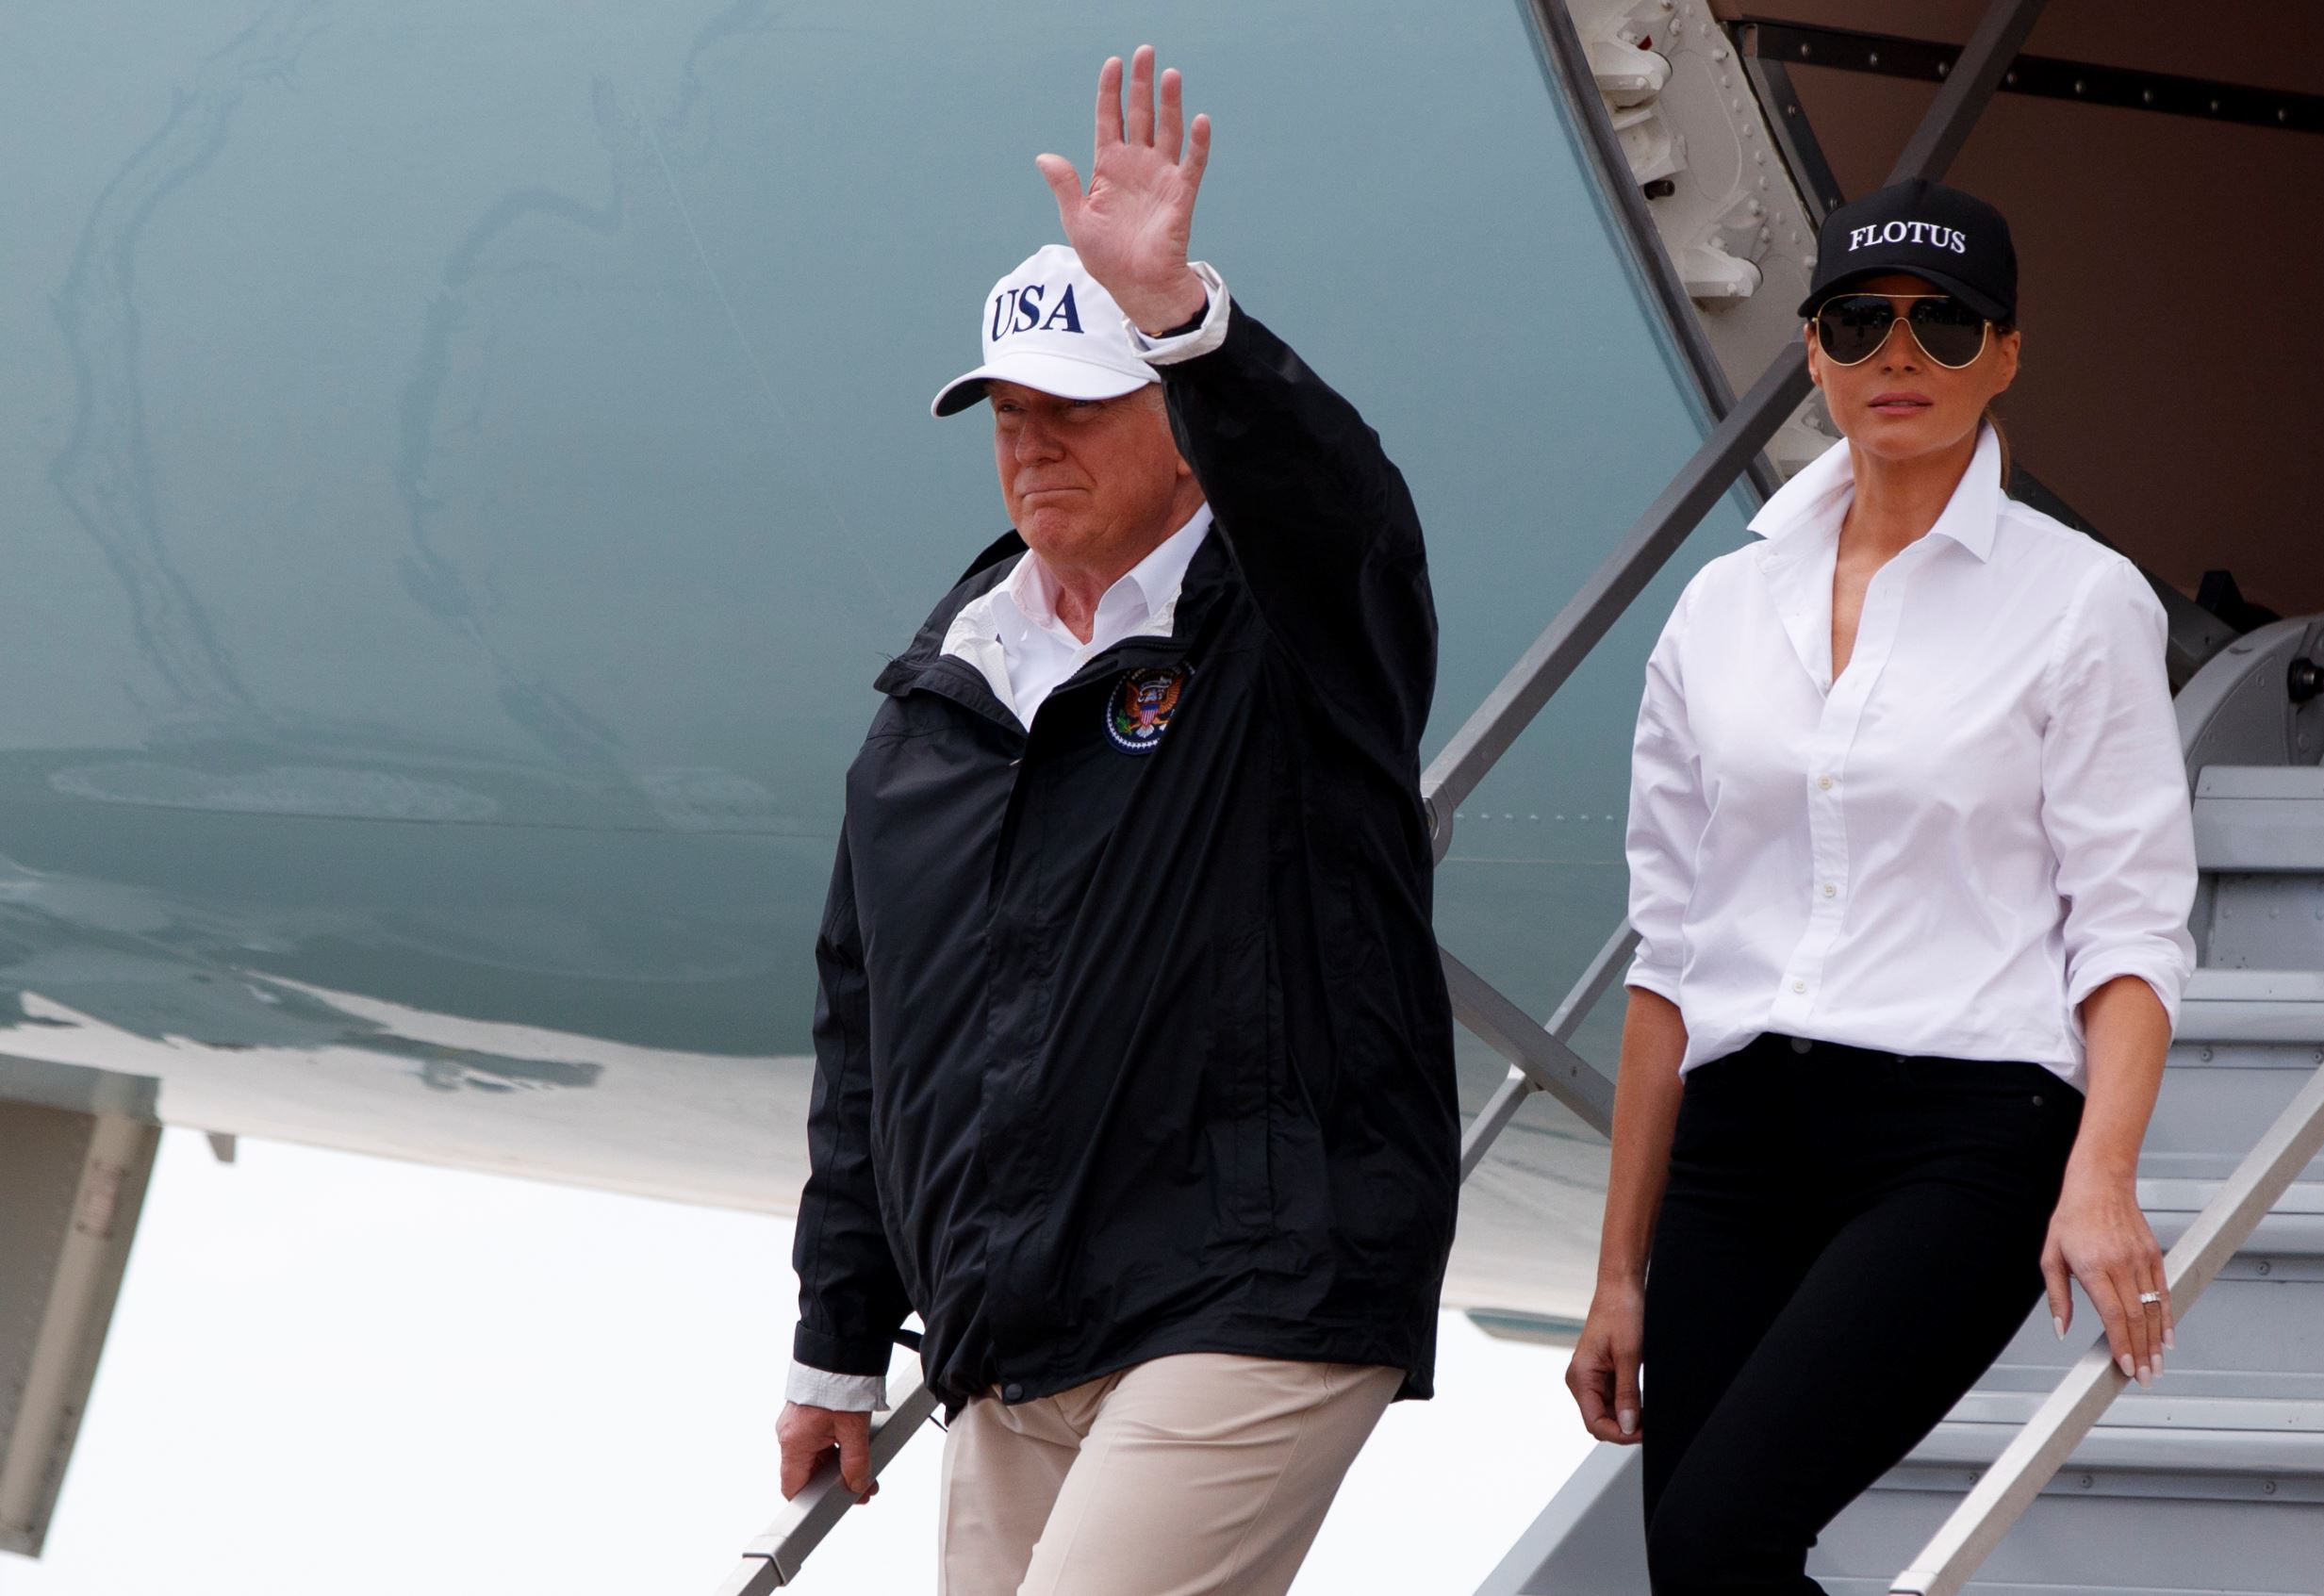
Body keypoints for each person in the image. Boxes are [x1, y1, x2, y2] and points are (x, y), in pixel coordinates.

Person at [773, 46, 1458, 1596]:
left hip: (1255, 1291)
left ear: (1175, 416)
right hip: (1016, 1327)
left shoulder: (1288, 630)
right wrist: (834, 1338)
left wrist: (1184, 322)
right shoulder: (932, 705)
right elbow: (869, 1043)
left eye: (1078, 403)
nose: (1032, 440)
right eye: (1007, 409)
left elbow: (1347, 515)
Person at [1562, 177, 2199, 1593]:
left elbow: (2134, 923)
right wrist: (1618, 1270)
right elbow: (1671, 954)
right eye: (1860, 322)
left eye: (1943, 324)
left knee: (1727, 1529)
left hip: (1961, 1134)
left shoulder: (2083, 601)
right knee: (1698, 1568)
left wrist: (2101, 1175)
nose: (1898, 355)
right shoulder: (1723, 607)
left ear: (2008, 352)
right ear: (1813, 351)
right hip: (1736, 1135)